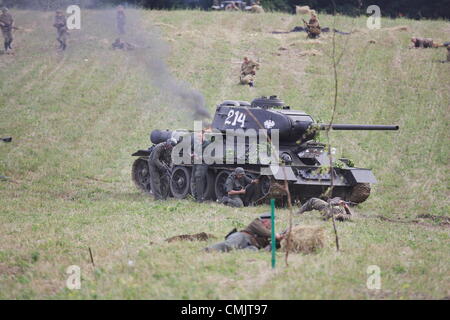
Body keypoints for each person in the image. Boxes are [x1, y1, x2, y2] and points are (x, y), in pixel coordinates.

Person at [205, 213, 284, 252]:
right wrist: (275, 235)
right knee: (229, 246)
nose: (271, 226)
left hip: (249, 245)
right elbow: (264, 232)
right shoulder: (256, 223)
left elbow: (266, 249)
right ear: (265, 221)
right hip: (241, 237)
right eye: (271, 223)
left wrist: (278, 241)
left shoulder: (266, 234)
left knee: (253, 250)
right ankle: (207, 250)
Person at [191, 127, 212, 202]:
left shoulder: (208, 144)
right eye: (197, 136)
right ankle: (195, 197)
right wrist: (192, 154)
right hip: (196, 163)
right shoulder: (197, 143)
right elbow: (192, 149)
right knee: (193, 179)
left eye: (199, 136)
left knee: (199, 179)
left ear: (203, 136)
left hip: (203, 163)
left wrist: (200, 157)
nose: (198, 137)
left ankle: (200, 199)